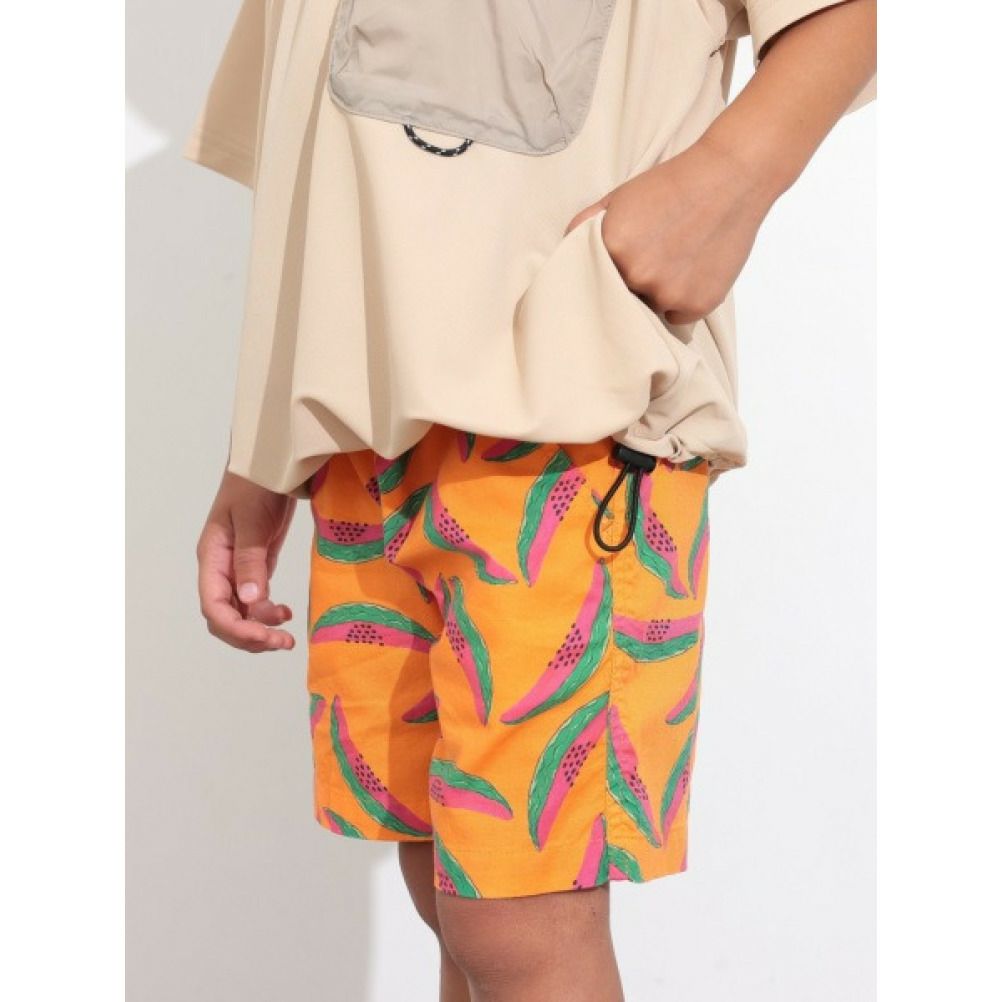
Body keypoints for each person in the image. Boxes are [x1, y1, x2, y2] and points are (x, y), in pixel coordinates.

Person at [186, 1, 876, 999]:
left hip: (572, 415)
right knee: (453, 894)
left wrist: (727, 180)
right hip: (363, 441)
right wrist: (259, 452)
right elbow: (310, 164)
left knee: (518, 917)